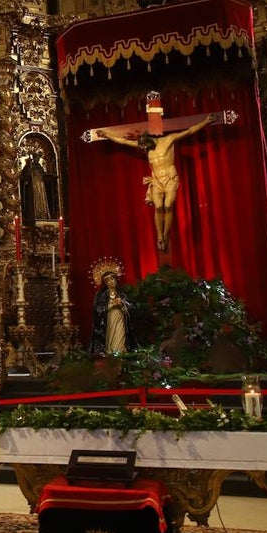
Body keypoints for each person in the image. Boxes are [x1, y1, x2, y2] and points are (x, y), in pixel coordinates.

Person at [92, 113, 217, 250]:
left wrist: (206, 121)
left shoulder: (168, 140)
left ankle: (166, 234)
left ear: (150, 140)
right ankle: (159, 236)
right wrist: (107, 135)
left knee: (168, 205)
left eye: (146, 146)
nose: (145, 149)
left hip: (170, 178)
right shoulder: (145, 146)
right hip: (156, 180)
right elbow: (123, 141)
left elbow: (189, 131)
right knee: (158, 207)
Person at [90, 271, 130, 355]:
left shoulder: (121, 293)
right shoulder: (101, 294)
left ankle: (120, 354)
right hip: (109, 318)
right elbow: (97, 309)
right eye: (107, 280)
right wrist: (111, 305)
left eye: (112, 279)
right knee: (111, 337)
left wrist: (122, 304)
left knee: (120, 335)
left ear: (116, 279)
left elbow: (130, 307)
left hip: (120, 317)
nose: (111, 282)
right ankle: (111, 354)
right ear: (105, 283)